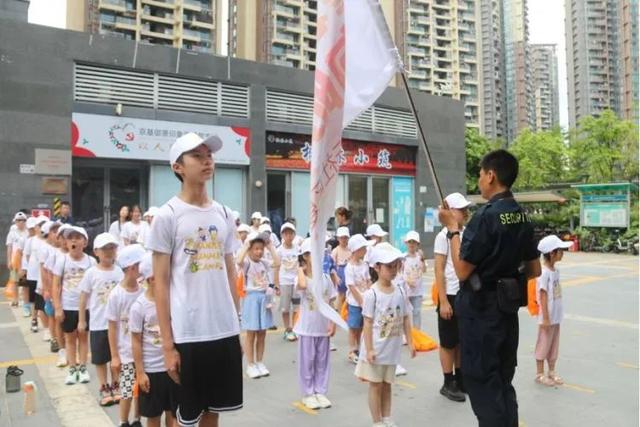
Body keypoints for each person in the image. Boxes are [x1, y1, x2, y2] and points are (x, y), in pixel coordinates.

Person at [438, 149, 541, 427]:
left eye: (481, 174)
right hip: (506, 315)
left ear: (491, 175)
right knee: (503, 384)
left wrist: (452, 230)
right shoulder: (522, 216)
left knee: (483, 385)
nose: (479, 180)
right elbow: (535, 269)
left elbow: (461, 269)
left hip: (481, 315)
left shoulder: (485, 218)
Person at [146, 133, 243, 427]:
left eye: (209, 155)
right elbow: (160, 283)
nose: (207, 161)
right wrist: (167, 346)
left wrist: (236, 326)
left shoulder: (223, 213)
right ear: (178, 167)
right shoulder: (168, 216)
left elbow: (230, 272)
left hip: (222, 331)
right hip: (188, 334)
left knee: (214, 411)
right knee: (186, 416)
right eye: (197, 156)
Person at [354, 243, 415, 427]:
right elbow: (368, 323)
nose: (394, 270)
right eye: (389, 266)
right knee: (375, 385)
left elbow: (405, 318)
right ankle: (377, 421)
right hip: (376, 350)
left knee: (387, 384)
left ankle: (387, 417)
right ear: (377, 267)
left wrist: (411, 343)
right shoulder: (371, 294)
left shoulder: (400, 290)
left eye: (396, 266)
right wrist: (370, 349)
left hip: (392, 349)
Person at [130, 253, 179, 427]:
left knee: (174, 414)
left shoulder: (174, 300)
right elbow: (135, 341)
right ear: (151, 279)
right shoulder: (139, 307)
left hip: (172, 366)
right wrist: (140, 372)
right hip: (152, 370)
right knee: (153, 416)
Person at [433, 192, 472, 402]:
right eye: (461, 209)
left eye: (466, 209)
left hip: (465, 295)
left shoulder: (465, 233)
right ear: (449, 212)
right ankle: (448, 383)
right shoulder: (443, 236)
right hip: (449, 295)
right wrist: (444, 301)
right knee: (448, 342)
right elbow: (439, 270)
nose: (465, 213)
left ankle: (460, 378)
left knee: (461, 340)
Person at [78, 232, 124, 406]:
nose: (109, 251)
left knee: (116, 356)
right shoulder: (91, 273)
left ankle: (116, 384)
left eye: (112, 247)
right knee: (100, 358)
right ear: (96, 251)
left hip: (118, 324)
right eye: (105, 248)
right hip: (98, 323)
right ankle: (104, 386)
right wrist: (82, 320)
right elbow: (83, 297)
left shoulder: (120, 271)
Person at [294, 238, 336, 410]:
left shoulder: (326, 278)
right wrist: (300, 269)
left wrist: (332, 323)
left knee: (322, 360)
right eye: (313, 253)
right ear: (305, 256)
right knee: (307, 361)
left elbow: (332, 301)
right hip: (307, 328)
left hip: (322, 328)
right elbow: (302, 285)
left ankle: (320, 391)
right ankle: (308, 393)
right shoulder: (301, 277)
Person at [52, 225, 96, 385]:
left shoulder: (91, 261)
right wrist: (58, 307)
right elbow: (56, 285)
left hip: (86, 307)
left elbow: (95, 286)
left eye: (78, 238)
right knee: (70, 339)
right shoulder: (62, 260)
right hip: (68, 306)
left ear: (85, 242)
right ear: (66, 242)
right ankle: (72, 369)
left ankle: (83, 368)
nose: (74, 241)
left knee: (84, 338)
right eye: (71, 238)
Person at [107, 244, 146, 427]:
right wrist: (115, 356)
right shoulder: (116, 295)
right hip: (126, 353)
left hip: (144, 351)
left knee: (141, 388)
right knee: (128, 390)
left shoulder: (143, 290)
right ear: (132, 268)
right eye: (141, 265)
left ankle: (137, 419)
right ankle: (123, 421)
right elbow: (112, 326)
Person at [236, 231, 280, 378]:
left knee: (262, 333)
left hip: (264, 299)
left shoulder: (264, 263)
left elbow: (278, 263)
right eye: (256, 248)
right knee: (251, 333)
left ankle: (260, 362)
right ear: (250, 249)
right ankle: (250, 364)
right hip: (251, 299)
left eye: (261, 248)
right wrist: (247, 244)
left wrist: (270, 246)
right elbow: (238, 260)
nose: (259, 251)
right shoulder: (247, 263)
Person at [534, 235, 570, 387]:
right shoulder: (544, 273)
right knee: (544, 343)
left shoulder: (555, 271)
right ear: (552, 253)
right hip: (547, 316)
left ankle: (552, 371)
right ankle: (540, 374)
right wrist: (546, 318)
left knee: (554, 344)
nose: (563, 253)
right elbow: (542, 295)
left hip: (555, 315)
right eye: (560, 250)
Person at [345, 234, 372, 364]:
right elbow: (352, 287)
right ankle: (352, 350)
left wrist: (370, 294)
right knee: (353, 326)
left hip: (365, 300)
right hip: (355, 303)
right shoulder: (349, 267)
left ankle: (360, 348)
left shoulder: (364, 265)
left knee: (362, 326)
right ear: (356, 250)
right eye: (363, 248)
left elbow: (368, 280)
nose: (365, 251)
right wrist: (361, 301)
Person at [277, 222, 301, 342]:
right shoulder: (279, 250)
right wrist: (275, 283)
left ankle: (296, 329)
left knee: (296, 307)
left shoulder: (298, 248)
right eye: (286, 233)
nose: (288, 236)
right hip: (284, 281)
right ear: (282, 235)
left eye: (291, 233)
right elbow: (276, 267)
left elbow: (302, 264)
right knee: (285, 308)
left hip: (296, 281)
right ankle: (287, 329)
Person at [20, 217, 40, 332]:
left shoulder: (42, 240)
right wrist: (24, 268)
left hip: (39, 274)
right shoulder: (27, 239)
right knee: (26, 290)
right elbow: (23, 254)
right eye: (31, 228)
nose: (32, 230)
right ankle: (31, 315)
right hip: (28, 270)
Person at [6, 212, 28, 308]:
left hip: (25, 261)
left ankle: (25, 302)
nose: (21, 222)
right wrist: (9, 260)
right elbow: (9, 248)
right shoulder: (12, 233)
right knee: (14, 281)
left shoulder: (28, 232)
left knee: (24, 283)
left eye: (23, 220)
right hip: (15, 260)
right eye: (19, 220)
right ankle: (15, 300)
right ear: (15, 221)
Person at [331, 227, 351, 313]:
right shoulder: (335, 250)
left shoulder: (351, 250)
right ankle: (339, 312)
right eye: (341, 237)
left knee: (349, 294)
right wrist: (335, 277)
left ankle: (347, 313)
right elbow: (332, 266)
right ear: (338, 238)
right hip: (340, 274)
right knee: (340, 295)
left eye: (345, 237)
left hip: (349, 273)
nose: (343, 240)